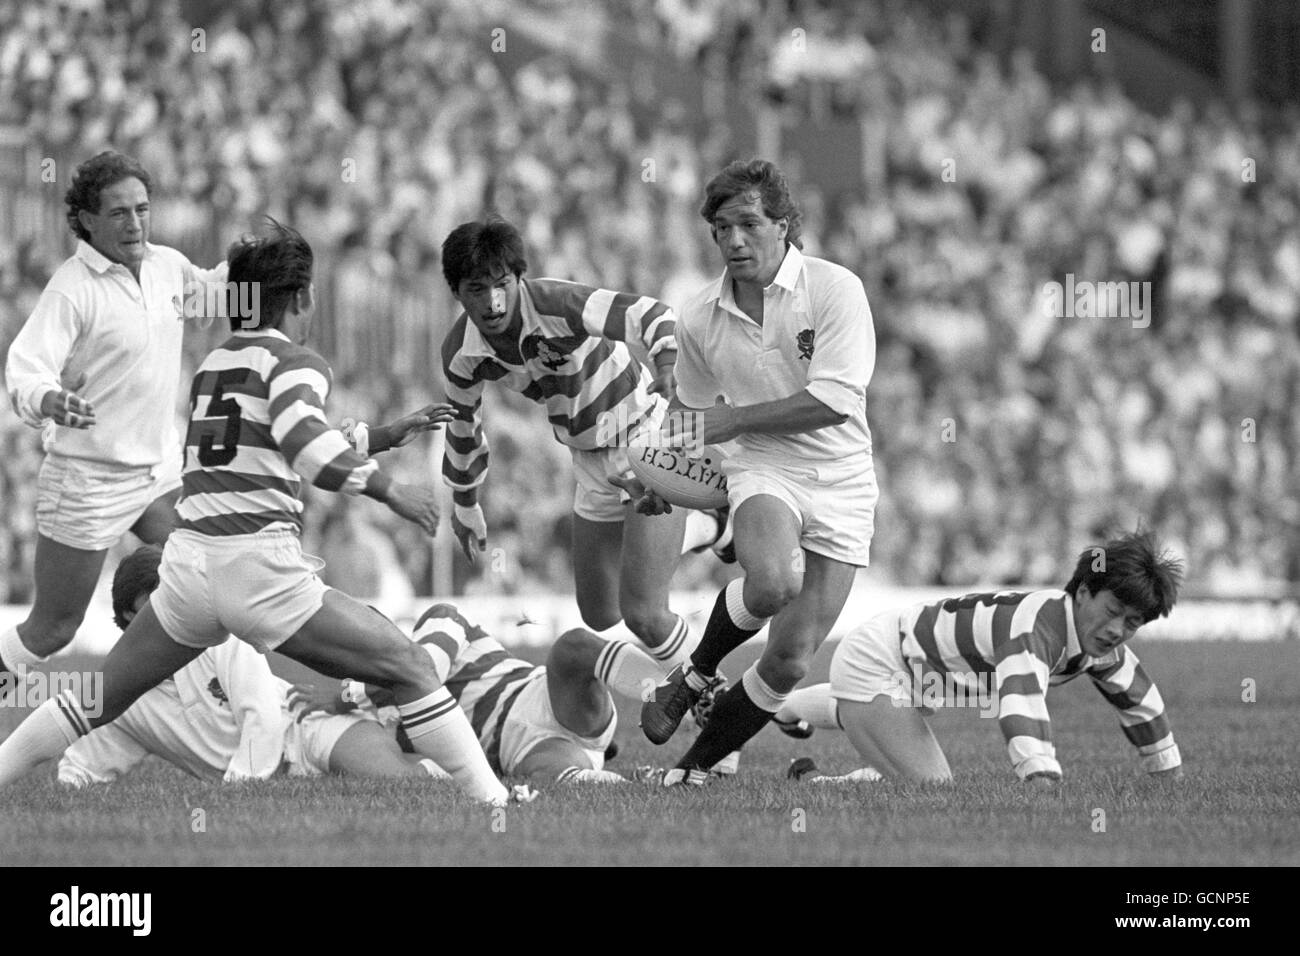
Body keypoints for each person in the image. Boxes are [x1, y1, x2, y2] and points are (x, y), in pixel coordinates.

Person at [0, 220, 527, 806]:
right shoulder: (297, 360)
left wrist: (376, 437)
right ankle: (496, 803)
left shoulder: (213, 366)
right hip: (256, 566)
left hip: (189, 568)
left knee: (96, 698)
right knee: (405, 664)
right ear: (303, 296)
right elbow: (303, 441)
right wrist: (388, 489)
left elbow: (268, 440)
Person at [638, 159, 878, 786]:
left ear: (784, 225)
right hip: (763, 467)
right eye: (721, 228)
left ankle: (690, 769)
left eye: (748, 224)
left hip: (845, 478)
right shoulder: (697, 316)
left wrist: (733, 419)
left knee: (791, 660)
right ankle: (693, 675)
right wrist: (657, 476)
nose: (734, 241)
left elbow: (833, 403)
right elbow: (690, 414)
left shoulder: (834, 290)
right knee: (772, 582)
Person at [438, 217, 722, 675]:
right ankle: (709, 527)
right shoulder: (462, 354)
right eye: (476, 289)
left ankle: (714, 698)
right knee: (600, 613)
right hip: (586, 456)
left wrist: (667, 365)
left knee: (645, 613)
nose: (492, 302)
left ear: (519, 279)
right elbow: (463, 428)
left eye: (501, 285)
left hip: (644, 433)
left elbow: (652, 314)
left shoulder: (557, 302)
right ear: (456, 291)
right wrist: (466, 503)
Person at [1, 151, 226, 683]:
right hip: (87, 482)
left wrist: (256, 269)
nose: (135, 223)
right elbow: (26, 368)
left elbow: (214, 292)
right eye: (120, 212)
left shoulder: (168, 266)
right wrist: (48, 399)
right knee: (54, 631)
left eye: (143, 209)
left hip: (157, 472)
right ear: (87, 221)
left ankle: (199, 704)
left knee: (206, 579)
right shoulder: (71, 289)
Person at [779, 530, 1186, 786]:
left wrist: (1169, 774)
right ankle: (813, 784)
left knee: (877, 716)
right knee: (933, 789)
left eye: (1132, 623)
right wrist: (1041, 777)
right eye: (1113, 611)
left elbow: (1139, 698)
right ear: (1082, 592)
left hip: (908, 673)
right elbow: (1022, 704)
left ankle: (778, 705)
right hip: (880, 663)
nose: (1118, 630)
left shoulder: (1095, 639)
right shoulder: (1039, 627)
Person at [58, 546, 440, 786]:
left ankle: (473, 766)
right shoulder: (122, 691)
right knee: (391, 771)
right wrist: (68, 788)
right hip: (270, 764)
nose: (168, 607)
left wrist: (240, 788)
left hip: (304, 725)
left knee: (401, 782)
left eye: (171, 593)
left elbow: (261, 713)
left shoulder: (215, 635)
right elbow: (84, 765)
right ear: (129, 613)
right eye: (154, 601)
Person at [306, 602, 694, 787]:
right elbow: (420, 770)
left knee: (571, 648)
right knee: (551, 780)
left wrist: (350, 692)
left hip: (548, 700)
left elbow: (425, 669)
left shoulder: (439, 621)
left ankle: (670, 693)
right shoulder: (380, 725)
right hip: (521, 752)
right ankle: (648, 784)